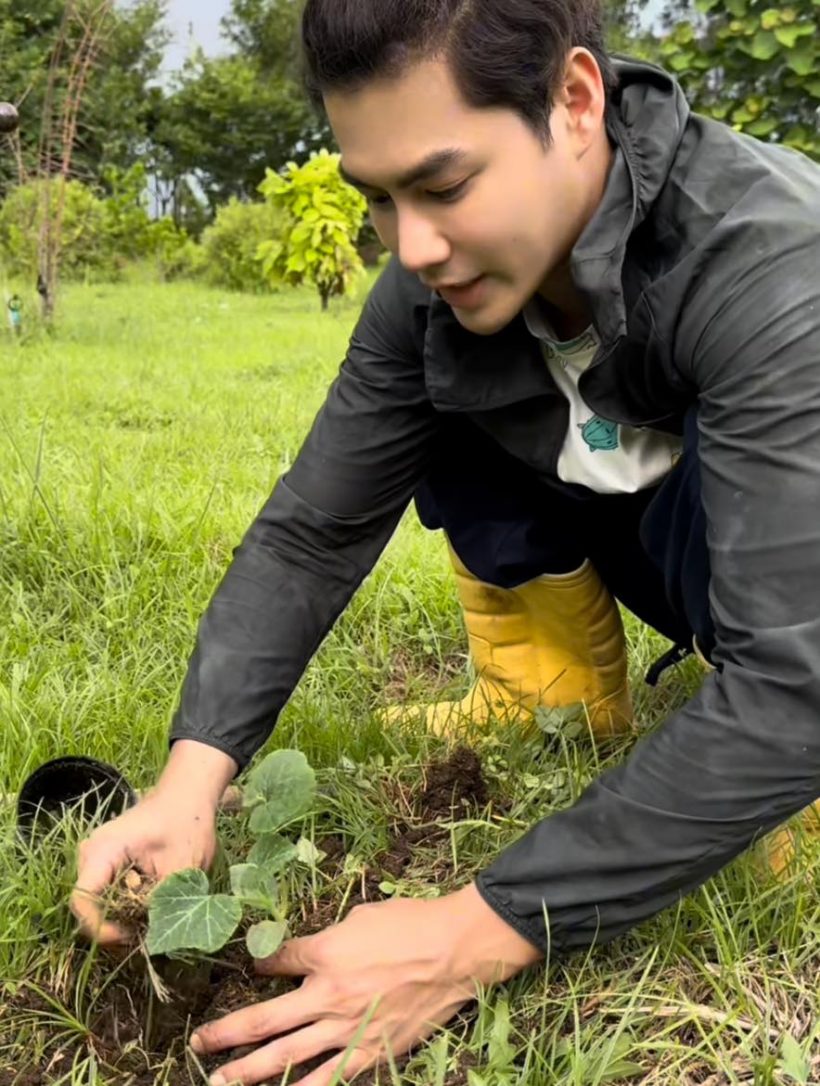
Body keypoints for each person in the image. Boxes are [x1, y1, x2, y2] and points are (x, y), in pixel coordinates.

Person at [72, 1, 820, 1083]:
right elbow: (315, 529)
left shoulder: (766, 262)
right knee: (453, 385)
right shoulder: (435, 291)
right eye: (375, 198)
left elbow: (798, 685)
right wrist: (191, 778)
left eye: (443, 185)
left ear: (573, 101)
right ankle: (554, 687)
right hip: (667, 529)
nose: (410, 244)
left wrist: (470, 932)